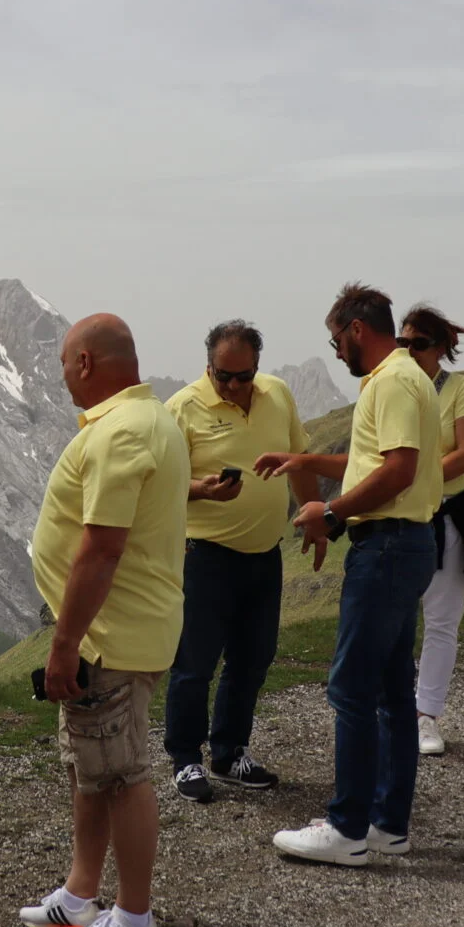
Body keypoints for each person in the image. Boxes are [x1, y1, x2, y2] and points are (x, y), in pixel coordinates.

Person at [19, 314, 189, 927]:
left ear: (86, 362)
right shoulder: (148, 419)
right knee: (89, 768)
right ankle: (80, 893)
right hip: (117, 630)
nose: (63, 376)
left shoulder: (121, 431)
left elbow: (101, 548)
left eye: (65, 364)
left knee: (120, 775)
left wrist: (64, 644)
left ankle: (135, 919)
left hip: (110, 637)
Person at [261, 283, 441, 867]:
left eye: (336, 340)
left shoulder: (391, 381)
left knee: (352, 690)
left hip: (386, 547)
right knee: (391, 691)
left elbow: (399, 471)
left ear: (357, 329)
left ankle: (346, 828)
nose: (337, 352)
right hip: (406, 546)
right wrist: (305, 462)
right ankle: (388, 824)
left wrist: (332, 512)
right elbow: (374, 460)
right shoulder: (406, 377)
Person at [161, 320, 319, 802]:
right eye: (221, 376)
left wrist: (314, 514)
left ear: (257, 368)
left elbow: (298, 460)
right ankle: (185, 759)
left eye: (242, 376)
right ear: (208, 365)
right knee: (195, 663)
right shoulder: (182, 408)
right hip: (204, 556)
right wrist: (202, 490)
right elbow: (158, 482)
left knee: (253, 659)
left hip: (264, 554)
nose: (231, 386)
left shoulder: (277, 394)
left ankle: (229, 753)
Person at [399, 305, 464, 758]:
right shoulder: (392, 384)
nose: (409, 351)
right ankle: (395, 707)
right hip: (401, 516)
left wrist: (416, 478)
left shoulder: (461, 388)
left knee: (440, 621)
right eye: (403, 343)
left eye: (419, 344)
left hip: (448, 515)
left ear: (441, 348)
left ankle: (427, 716)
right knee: (396, 616)